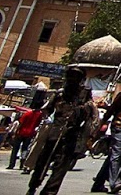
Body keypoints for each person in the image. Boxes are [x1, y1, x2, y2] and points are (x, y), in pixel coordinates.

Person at [28, 67, 98, 195]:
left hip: (71, 135)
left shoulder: (85, 94)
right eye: (70, 76)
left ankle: (49, 192)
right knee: (42, 163)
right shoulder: (60, 93)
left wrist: (82, 111)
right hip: (54, 134)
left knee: (60, 167)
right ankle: (33, 186)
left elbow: (91, 114)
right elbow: (46, 109)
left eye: (76, 76)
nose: (72, 79)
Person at [8, 92, 47, 170]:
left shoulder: (27, 114)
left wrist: (15, 133)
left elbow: (20, 123)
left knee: (15, 149)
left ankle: (12, 164)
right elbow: (38, 124)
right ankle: (22, 164)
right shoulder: (39, 115)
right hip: (30, 134)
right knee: (25, 150)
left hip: (21, 133)